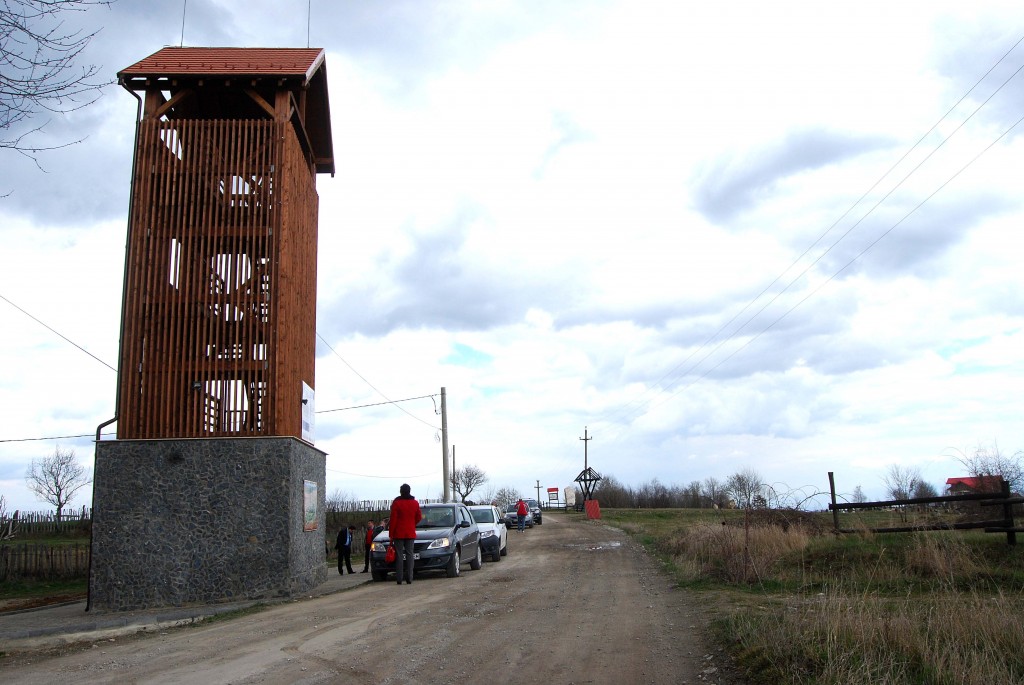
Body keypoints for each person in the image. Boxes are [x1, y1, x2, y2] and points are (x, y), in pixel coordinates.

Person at [389, 483, 422, 585]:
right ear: (409, 491)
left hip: (398, 533)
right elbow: (419, 517)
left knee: (399, 555)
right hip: (410, 532)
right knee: (410, 554)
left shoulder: (396, 503)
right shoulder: (415, 503)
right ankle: (410, 578)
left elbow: (393, 520)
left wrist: (391, 534)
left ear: (401, 491)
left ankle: (399, 578)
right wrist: (412, 524)